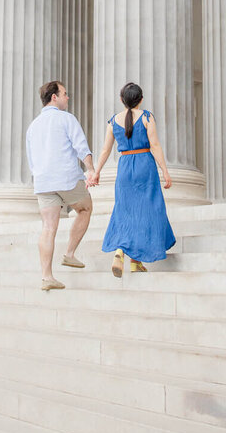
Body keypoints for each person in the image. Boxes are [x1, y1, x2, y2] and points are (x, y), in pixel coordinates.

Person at [88, 82, 175, 277]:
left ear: (121, 100)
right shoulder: (146, 117)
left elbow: (105, 149)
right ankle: (128, 252)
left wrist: (97, 172)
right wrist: (165, 171)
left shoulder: (112, 121)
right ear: (141, 99)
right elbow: (155, 145)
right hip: (145, 165)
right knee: (149, 210)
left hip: (125, 166)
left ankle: (130, 258)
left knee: (126, 210)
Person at [25, 80, 95, 292]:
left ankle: (47, 277)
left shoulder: (33, 126)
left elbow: (31, 158)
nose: (67, 97)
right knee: (85, 208)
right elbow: (81, 146)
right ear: (54, 97)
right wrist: (90, 170)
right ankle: (70, 254)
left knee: (48, 228)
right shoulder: (66, 118)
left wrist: (39, 176)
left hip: (43, 181)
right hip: (66, 178)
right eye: (65, 93)